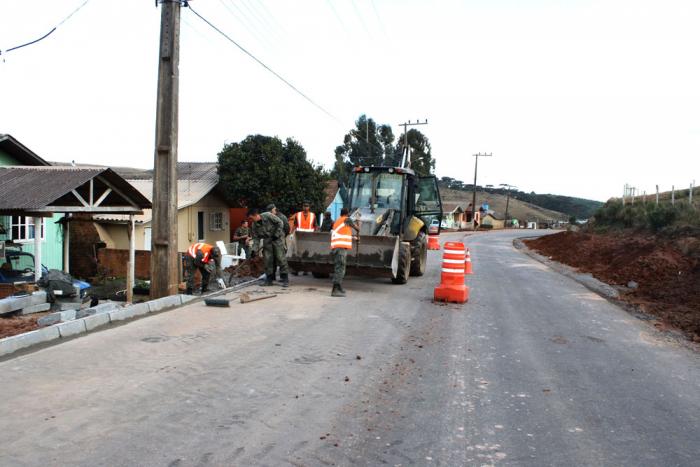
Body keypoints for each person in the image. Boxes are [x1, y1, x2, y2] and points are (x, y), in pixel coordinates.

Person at [249, 206, 290, 287]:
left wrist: (276, 234)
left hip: (277, 239)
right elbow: (256, 239)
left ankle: (285, 278)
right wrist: (254, 250)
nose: (250, 220)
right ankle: (269, 279)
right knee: (267, 260)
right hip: (267, 241)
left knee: (280, 258)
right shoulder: (254, 225)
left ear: (256, 215)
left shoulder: (268, 215)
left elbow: (280, 222)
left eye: (251, 218)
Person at [330, 207, 360, 297]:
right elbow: (357, 229)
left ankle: (338, 287)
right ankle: (335, 290)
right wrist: (358, 222)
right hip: (340, 249)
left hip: (336, 247)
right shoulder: (347, 220)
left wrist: (354, 238)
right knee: (340, 269)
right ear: (347, 214)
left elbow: (342, 235)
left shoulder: (338, 221)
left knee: (339, 268)